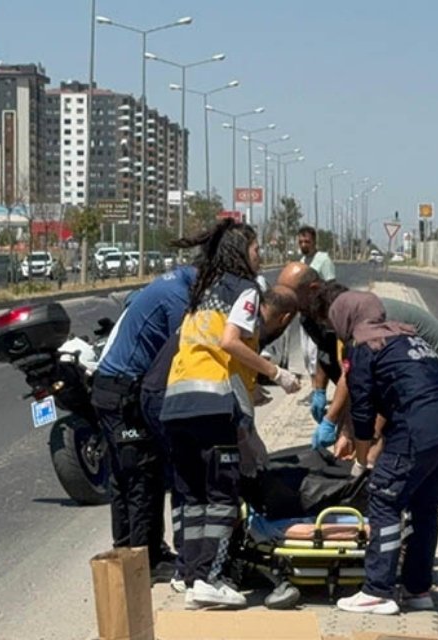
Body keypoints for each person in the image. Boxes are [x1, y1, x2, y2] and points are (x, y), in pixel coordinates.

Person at [160, 220, 302, 610]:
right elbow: (229, 343)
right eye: (257, 249)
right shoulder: (246, 291)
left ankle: (191, 577)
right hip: (212, 402)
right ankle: (211, 578)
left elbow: (214, 346)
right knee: (222, 495)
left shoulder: (203, 292)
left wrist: (252, 384)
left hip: (176, 402)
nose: (261, 256)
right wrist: (278, 374)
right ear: (242, 252)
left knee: (192, 497)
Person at [327, 292, 438, 616]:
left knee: (384, 498)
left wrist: (363, 461)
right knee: (425, 506)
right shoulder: (405, 335)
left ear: (346, 319)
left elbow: (364, 410)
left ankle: (376, 590)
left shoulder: (363, 346)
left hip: (421, 424)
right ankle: (418, 589)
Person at [91, 265, 196, 581]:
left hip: (109, 389)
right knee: (141, 475)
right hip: (123, 393)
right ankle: (143, 562)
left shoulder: (165, 283)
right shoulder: (178, 297)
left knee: (123, 475)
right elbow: (185, 351)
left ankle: (128, 552)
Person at [300, 278, 438, 457]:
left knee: (403, 458)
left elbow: (387, 389)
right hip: (426, 387)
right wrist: (343, 429)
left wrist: (367, 446)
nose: (333, 329)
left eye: (330, 323)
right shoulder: (359, 316)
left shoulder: (375, 325)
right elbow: (351, 379)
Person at [295, 227, 335, 384]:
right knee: (306, 354)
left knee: (315, 354)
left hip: (318, 314)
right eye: (301, 242)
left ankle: (318, 390)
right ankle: (315, 387)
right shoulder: (302, 262)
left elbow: (331, 286)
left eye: (307, 241)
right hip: (305, 313)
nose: (304, 245)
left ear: (314, 242)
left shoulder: (323, 260)